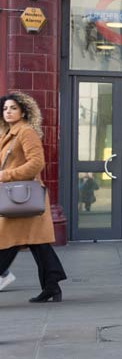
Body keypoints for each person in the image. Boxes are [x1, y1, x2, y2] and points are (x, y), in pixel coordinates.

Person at [0, 91, 67, 302]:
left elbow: (37, 163)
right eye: (5, 108)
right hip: (16, 198)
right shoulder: (7, 134)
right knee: (37, 243)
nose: (8, 112)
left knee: (5, 242)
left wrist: (5, 175)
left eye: (13, 108)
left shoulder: (25, 132)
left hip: (21, 197)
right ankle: (52, 285)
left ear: (23, 111)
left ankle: (51, 284)